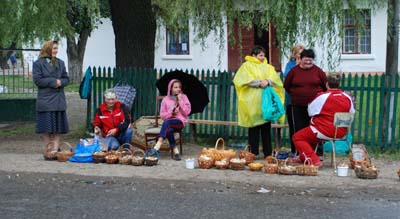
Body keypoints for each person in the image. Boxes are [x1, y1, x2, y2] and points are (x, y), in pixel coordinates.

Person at [292, 73, 355, 166]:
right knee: (310, 136)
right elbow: (351, 114)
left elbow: (311, 112)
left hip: (324, 130)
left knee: (297, 137)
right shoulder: (347, 98)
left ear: (326, 84)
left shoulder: (322, 97)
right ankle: (304, 158)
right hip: (341, 131)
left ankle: (313, 160)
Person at [233, 46, 284, 159]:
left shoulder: (268, 67)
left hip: (266, 103)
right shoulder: (246, 66)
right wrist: (259, 83)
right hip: (252, 103)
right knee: (253, 128)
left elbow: (275, 79)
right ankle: (253, 152)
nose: (262, 57)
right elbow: (242, 80)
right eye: (260, 55)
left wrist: (268, 81)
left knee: (266, 127)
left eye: (263, 55)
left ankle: (268, 153)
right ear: (254, 55)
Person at [284, 49, 327, 156]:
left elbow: (325, 86)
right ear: (300, 59)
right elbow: (287, 86)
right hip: (298, 106)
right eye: (306, 60)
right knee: (299, 129)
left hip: (315, 107)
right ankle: (300, 152)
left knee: (315, 128)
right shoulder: (294, 71)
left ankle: (317, 152)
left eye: (310, 61)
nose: (308, 62)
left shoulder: (318, 71)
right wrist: (296, 95)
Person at [32, 40, 69, 153]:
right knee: (47, 129)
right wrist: (54, 82)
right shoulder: (38, 63)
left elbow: (66, 78)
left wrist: (61, 82)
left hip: (58, 101)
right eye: (54, 48)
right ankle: (49, 150)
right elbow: (38, 80)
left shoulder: (61, 63)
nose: (56, 51)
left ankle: (55, 150)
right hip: (46, 101)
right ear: (47, 49)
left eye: (57, 48)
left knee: (57, 129)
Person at [152, 79, 191, 161]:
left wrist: (180, 101)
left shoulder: (184, 97)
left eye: (179, 87)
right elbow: (162, 115)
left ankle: (157, 146)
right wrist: (171, 113)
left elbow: (187, 112)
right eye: (175, 87)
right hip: (169, 123)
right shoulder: (165, 99)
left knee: (167, 123)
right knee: (169, 130)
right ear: (171, 88)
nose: (178, 89)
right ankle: (176, 152)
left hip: (180, 122)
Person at [283, 44, 305, 154]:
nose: (302, 56)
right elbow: (287, 77)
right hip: (292, 101)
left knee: (304, 127)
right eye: (300, 53)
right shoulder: (290, 65)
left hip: (305, 101)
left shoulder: (307, 65)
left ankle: (305, 150)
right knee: (294, 126)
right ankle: (294, 150)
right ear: (295, 54)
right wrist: (296, 66)